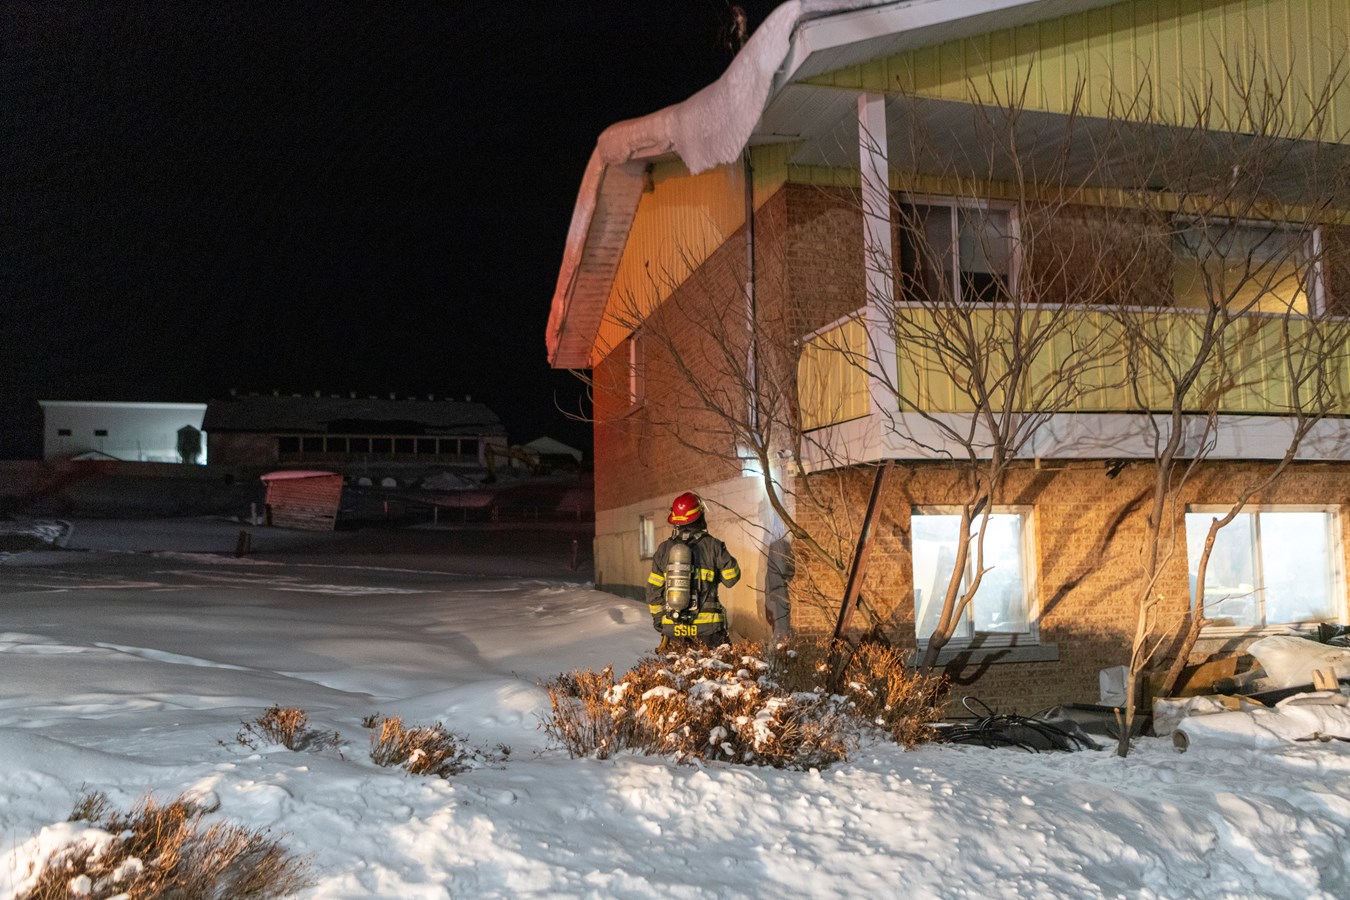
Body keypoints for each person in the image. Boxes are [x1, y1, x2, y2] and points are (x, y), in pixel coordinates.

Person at [646, 491, 741, 650]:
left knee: (676, 667)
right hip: (709, 629)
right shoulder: (714, 545)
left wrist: (660, 621)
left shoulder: (663, 549)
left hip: (674, 628)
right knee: (713, 666)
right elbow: (731, 578)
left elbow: (653, 590)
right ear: (699, 516)